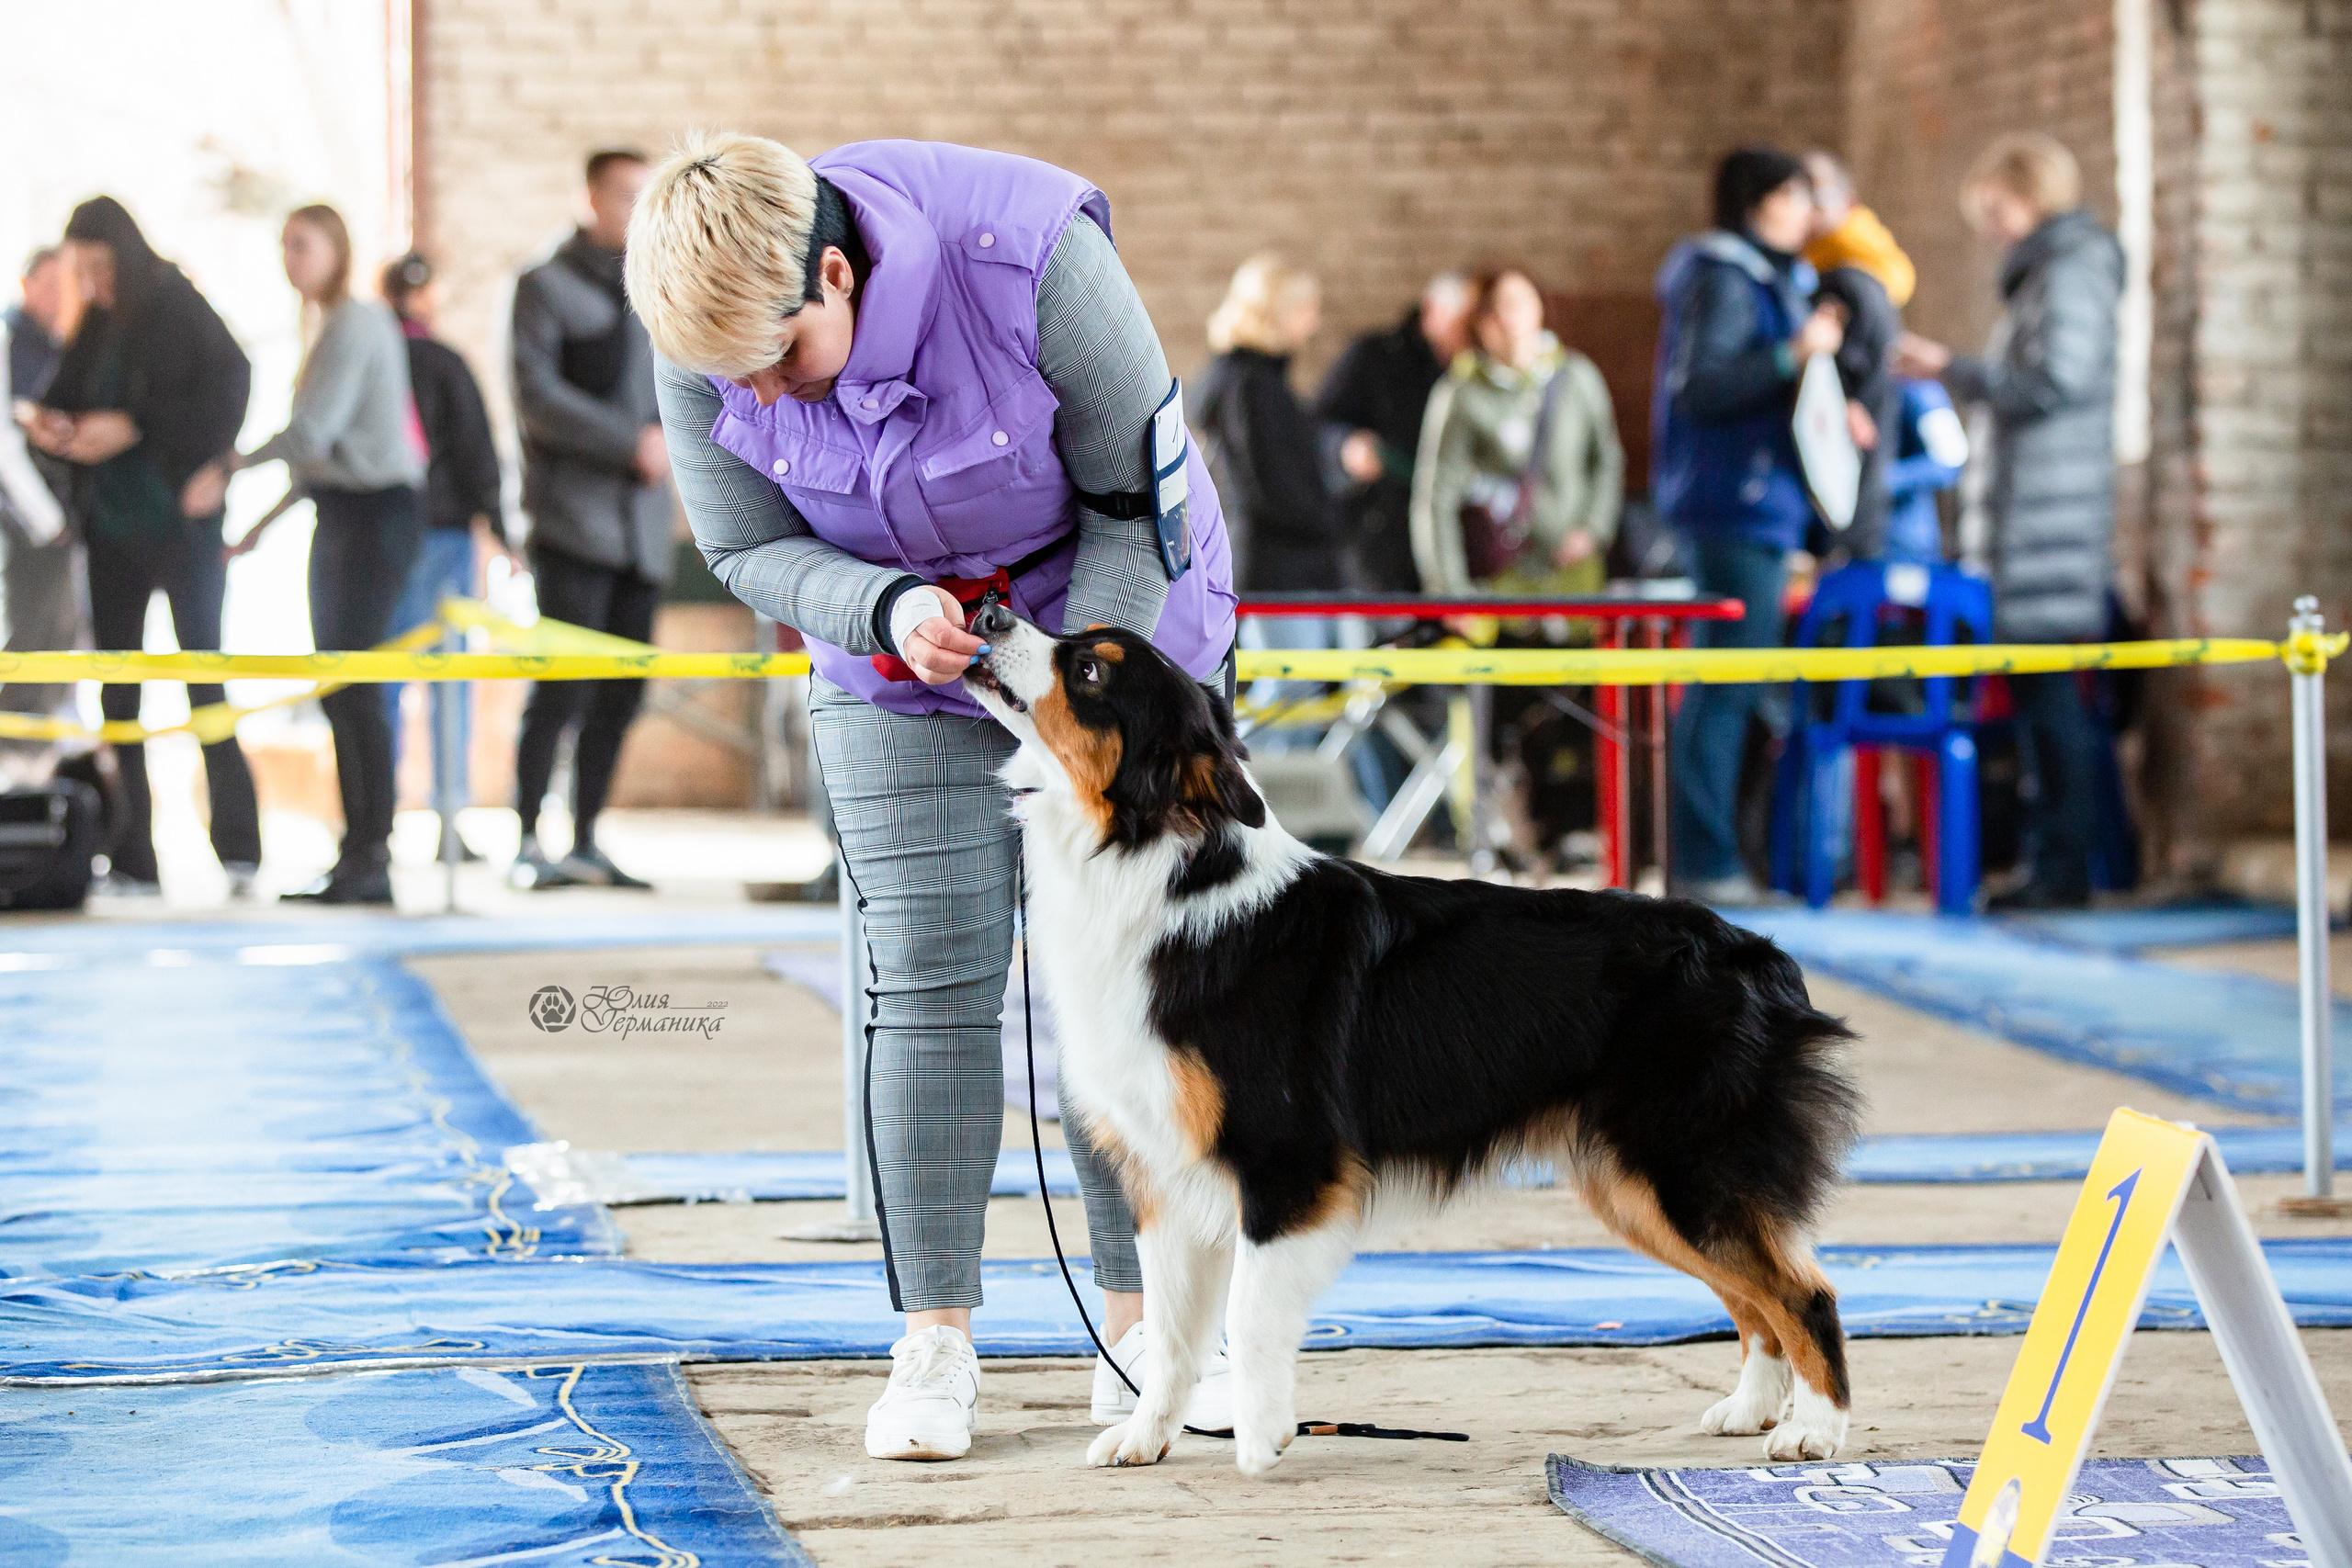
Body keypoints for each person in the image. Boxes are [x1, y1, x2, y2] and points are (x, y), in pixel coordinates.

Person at [627, 131, 1237, 1461]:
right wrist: (884, 606)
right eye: (732, 379)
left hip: (1114, 628)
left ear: (834, 274)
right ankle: (935, 1343)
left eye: (782, 360)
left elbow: (1135, 501)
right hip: (896, 659)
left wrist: (1077, 707)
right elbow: (743, 540)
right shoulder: (707, 334)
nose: (761, 396)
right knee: (927, 976)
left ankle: (1152, 1334)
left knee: (1140, 980)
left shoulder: (1034, 257)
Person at [1896, 133, 2122, 910]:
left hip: (2047, 525)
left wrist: (1952, 370)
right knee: (2037, 704)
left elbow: (2054, 379)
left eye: (1996, 209)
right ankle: (2052, 861)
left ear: (2034, 197)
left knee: (2051, 705)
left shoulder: (2071, 270)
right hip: (2030, 522)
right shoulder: (2048, 275)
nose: (1989, 228)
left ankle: (2063, 868)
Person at [29, 197, 262, 897]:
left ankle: (239, 850)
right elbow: (65, 394)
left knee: (204, 680)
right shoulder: (98, 321)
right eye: (82, 270)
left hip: (179, 530)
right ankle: (133, 855)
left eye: (100, 267)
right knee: (119, 692)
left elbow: (229, 384)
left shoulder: (175, 303)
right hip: (112, 533)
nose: (93, 282)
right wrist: (55, 427)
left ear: (125, 255)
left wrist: (136, 428)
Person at [1654, 148, 1846, 906]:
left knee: (1732, 686)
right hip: (1734, 505)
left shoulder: (1764, 276)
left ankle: (1713, 858)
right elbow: (1702, 386)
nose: (1806, 211)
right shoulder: (1728, 277)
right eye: (1794, 195)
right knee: (1724, 686)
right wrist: (1793, 353)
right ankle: (1706, 863)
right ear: (1757, 201)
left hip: (1757, 503)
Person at [226, 203, 427, 906]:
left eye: (302, 245)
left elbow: (311, 436)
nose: (291, 260)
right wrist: (261, 524)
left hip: (375, 517)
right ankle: (357, 852)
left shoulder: (354, 323)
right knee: (341, 687)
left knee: (355, 685)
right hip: (343, 512)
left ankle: (371, 855)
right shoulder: (327, 326)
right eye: (284, 246)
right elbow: (319, 460)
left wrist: (230, 465)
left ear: (337, 250)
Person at [507, 148, 673, 892]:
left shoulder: (660, 286)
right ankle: (526, 841)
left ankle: (584, 840)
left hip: (643, 536)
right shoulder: (544, 286)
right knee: (561, 688)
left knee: (619, 694)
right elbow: (535, 395)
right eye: (625, 194)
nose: (637, 209)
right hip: (573, 527)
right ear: (590, 198)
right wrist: (627, 442)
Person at [379, 252, 509, 852]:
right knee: (448, 684)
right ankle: (448, 824)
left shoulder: (376, 359)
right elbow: (478, 450)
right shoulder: (446, 362)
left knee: (383, 680)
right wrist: (501, 530)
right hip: (444, 538)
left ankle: (377, 821)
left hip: (387, 538)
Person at [1408, 265, 1622, 596]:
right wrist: (1451, 591)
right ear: (1479, 323)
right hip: (1497, 579)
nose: (1509, 319)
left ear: (1539, 307)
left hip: (1572, 574)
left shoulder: (1578, 378)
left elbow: (1607, 460)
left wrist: (1594, 529)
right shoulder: (1461, 394)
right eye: (1495, 310)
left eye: (1518, 304)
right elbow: (1437, 497)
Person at [1191, 254, 1339, 594]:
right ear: (1276, 312)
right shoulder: (1250, 386)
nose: (1314, 324)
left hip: (1274, 564)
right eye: (1306, 310)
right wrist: (1328, 520)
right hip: (1275, 574)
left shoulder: (1247, 379)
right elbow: (1268, 483)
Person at [1313, 273, 1471, 592]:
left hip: (1457, 542)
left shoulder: (1475, 374)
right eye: (1462, 322)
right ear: (1431, 311)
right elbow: (1317, 426)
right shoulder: (1374, 356)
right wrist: (1346, 448)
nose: (1469, 333)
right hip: (1381, 539)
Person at [1802, 151, 1914, 558]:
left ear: (1846, 201)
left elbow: (1846, 381)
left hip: (1842, 483)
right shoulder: (1872, 266)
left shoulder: (1843, 279)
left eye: (1815, 196)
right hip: (1861, 484)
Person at [3, 246, 80, 743]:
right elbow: (5, 445)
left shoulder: (62, 343)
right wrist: (48, 521)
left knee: (59, 630)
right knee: (29, 629)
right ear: (26, 284)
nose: (56, 296)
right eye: (47, 284)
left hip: (53, 516)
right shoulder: (9, 338)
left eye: (64, 286)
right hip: (23, 518)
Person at [1881, 377, 1968, 563]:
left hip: (1902, 542)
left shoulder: (1922, 390)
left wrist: (1880, 481)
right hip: (1852, 531)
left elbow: (1950, 459)